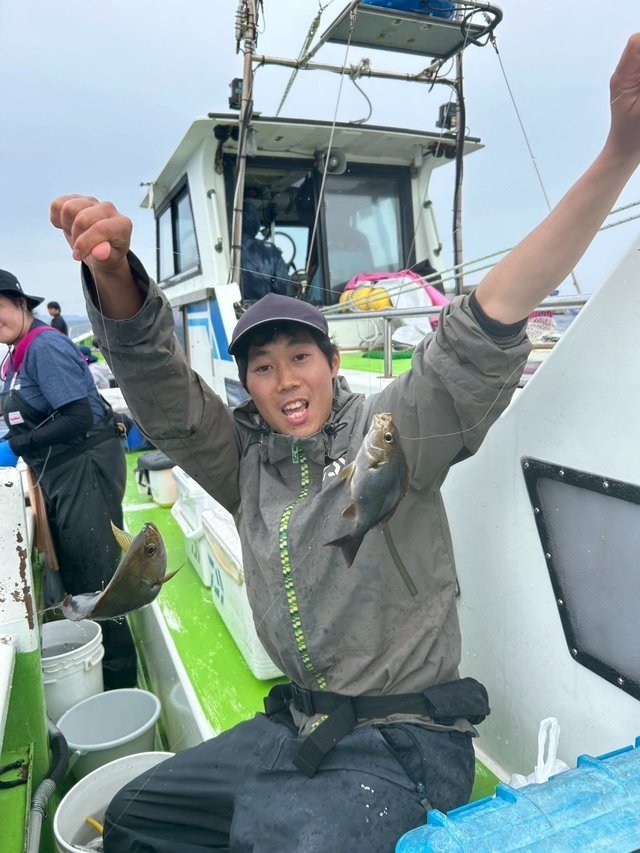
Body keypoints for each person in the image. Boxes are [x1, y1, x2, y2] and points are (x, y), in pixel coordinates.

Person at [50, 34, 640, 852]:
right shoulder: (244, 463)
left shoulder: (395, 430)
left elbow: (486, 321)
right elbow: (166, 397)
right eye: (262, 367)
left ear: (333, 364)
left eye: (301, 356)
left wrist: (619, 154)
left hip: (407, 741)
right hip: (298, 722)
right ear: (247, 385)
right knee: (134, 815)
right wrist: (116, 277)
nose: (285, 379)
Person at [0, 270, 137, 691]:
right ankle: (100, 674)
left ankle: (119, 681)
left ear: (20, 304)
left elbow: (77, 416)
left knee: (97, 577)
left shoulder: (44, 347)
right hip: (60, 471)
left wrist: (22, 441)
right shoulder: (16, 354)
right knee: (78, 571)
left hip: (84, 466)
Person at [241, 200, 291, 301]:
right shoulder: (271, 252)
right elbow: (282, 287)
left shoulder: (224, 250)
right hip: (263, 309)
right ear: (256, 223)